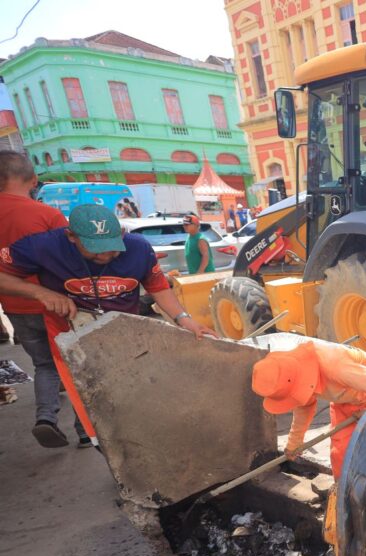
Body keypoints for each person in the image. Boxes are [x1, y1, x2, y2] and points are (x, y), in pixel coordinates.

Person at [0, 204, 216, 439]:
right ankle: (96, 441)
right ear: (71, 236)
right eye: (95, 250)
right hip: (71, 344)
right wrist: (40, 293)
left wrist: (185, 320)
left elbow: (158, 288)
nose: (104, 256)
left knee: (137, 405)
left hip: (126, 340)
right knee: (93, 411)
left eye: (112, 249)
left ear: (121, 233)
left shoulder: (138, 247)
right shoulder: (42, 246)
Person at [0, 150, 91, 448]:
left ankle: (46, 418)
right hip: (56, 307)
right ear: (33, 179)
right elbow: (72, 259)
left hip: (15, 307)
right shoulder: (46, 214)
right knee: (76, 366)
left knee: (44, 365)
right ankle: (84, 431)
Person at [251, 340, 366, 478]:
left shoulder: (337, 368)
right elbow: (304, 405)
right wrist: (295, 442)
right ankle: (343, 491)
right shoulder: (297, 372)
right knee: (340, 455)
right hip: (344, 401)